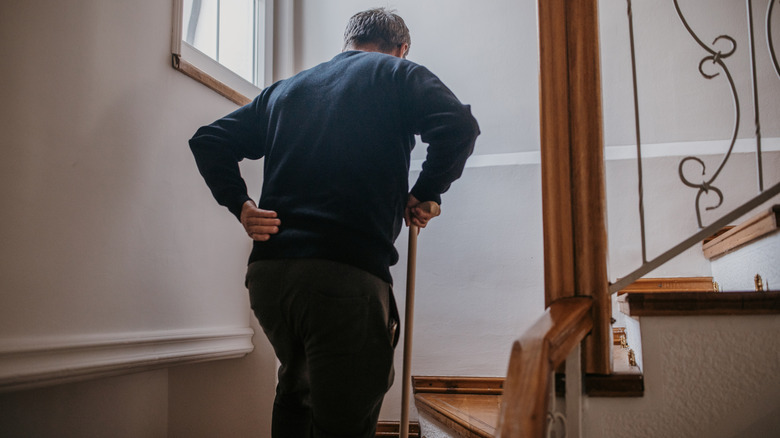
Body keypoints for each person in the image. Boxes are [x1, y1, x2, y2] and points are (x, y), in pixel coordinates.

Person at [189, 7, 479, 438]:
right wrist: (426, 191)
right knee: (345, 417)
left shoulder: (284, 90)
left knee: (297, 395)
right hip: (343, 277)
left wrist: (242, 207)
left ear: (347, 42)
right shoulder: (396, 74)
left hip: (271, 279)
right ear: (401, 48)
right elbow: (457, 125)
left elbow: (209, 140)